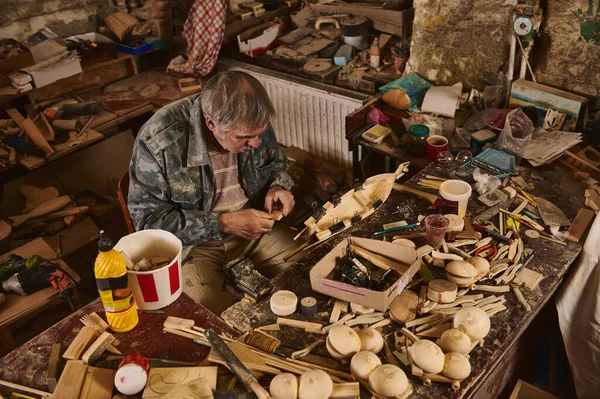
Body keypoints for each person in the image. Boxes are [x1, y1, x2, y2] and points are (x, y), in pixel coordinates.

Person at [127, 71, 295, 313]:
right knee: (217, 317)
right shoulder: (160, 139)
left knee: (308, 272)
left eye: (259, 134)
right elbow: (149, 224)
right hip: (196, 247)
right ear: (211, 124)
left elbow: (276, 162)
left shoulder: (252, 123)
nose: (256, 143)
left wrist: (278, 186)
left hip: (256, 231)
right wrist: (222, 223)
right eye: (246, 138)